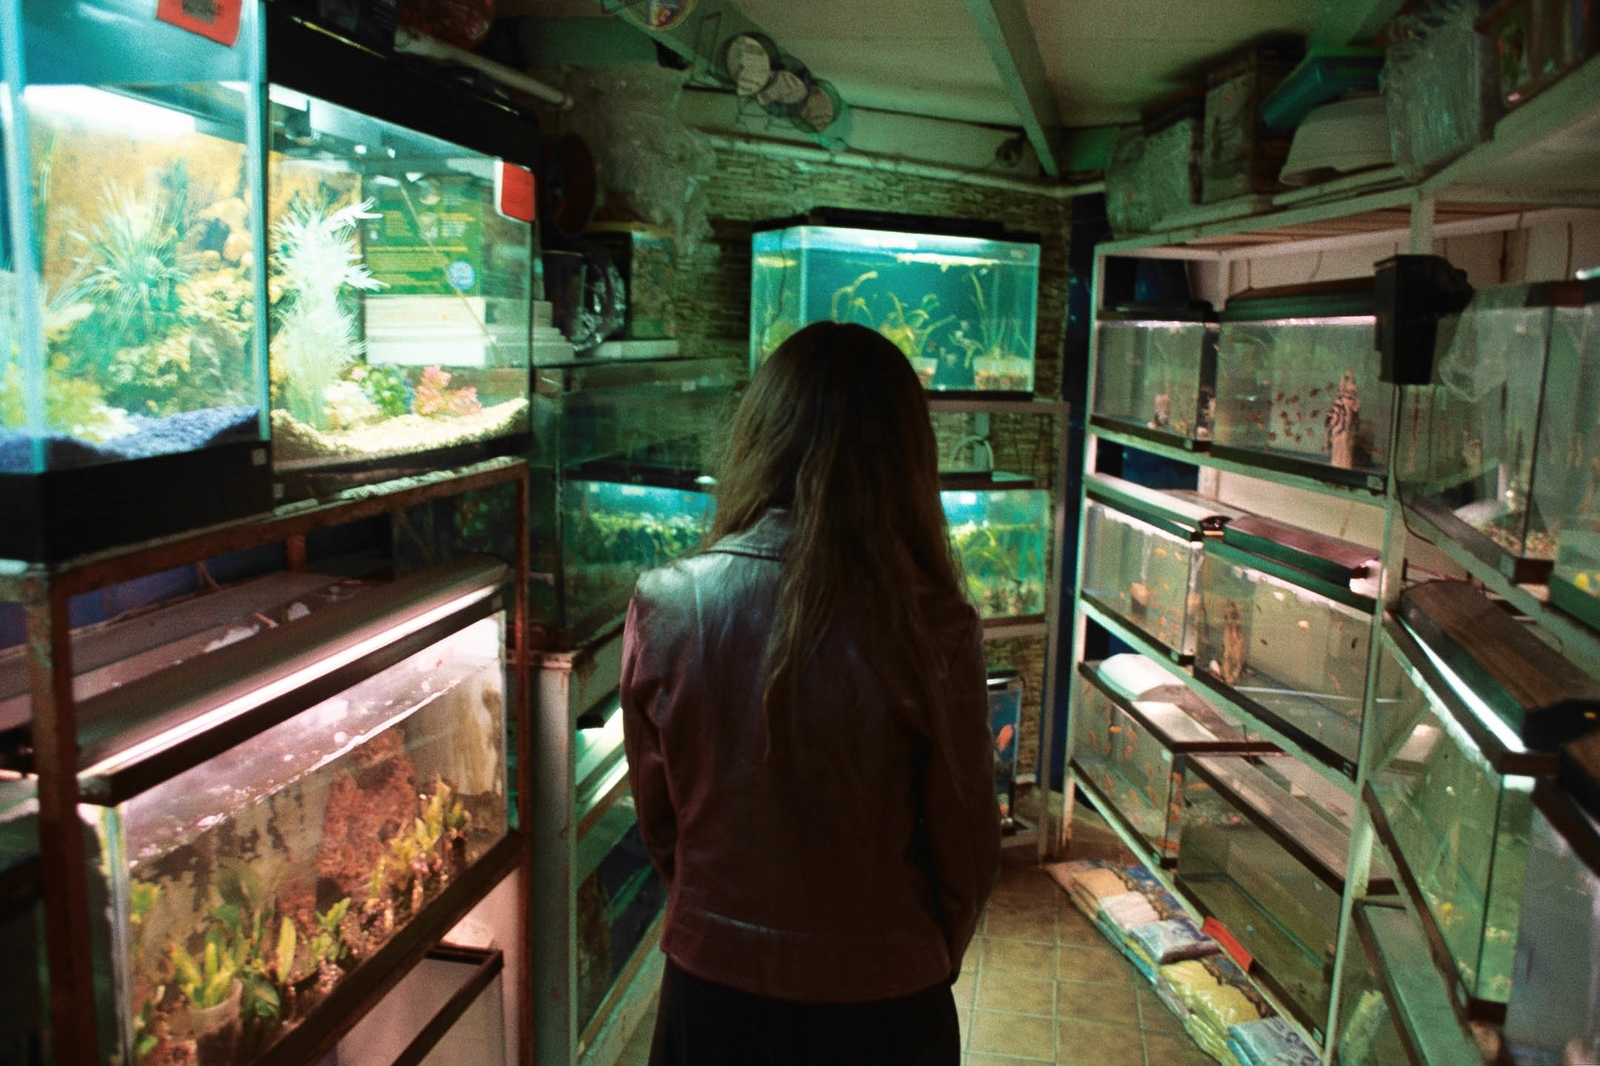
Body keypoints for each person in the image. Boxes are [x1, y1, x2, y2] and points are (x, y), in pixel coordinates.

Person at [620, 320, 1003, 1065]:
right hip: (885, 1008)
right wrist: (922, 957)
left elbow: (662, 821)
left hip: (712, 999)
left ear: (760, 436)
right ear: (905, 457)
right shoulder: (937, 628)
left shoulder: (665, 605)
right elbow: (967, 849)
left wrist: (716, 926)